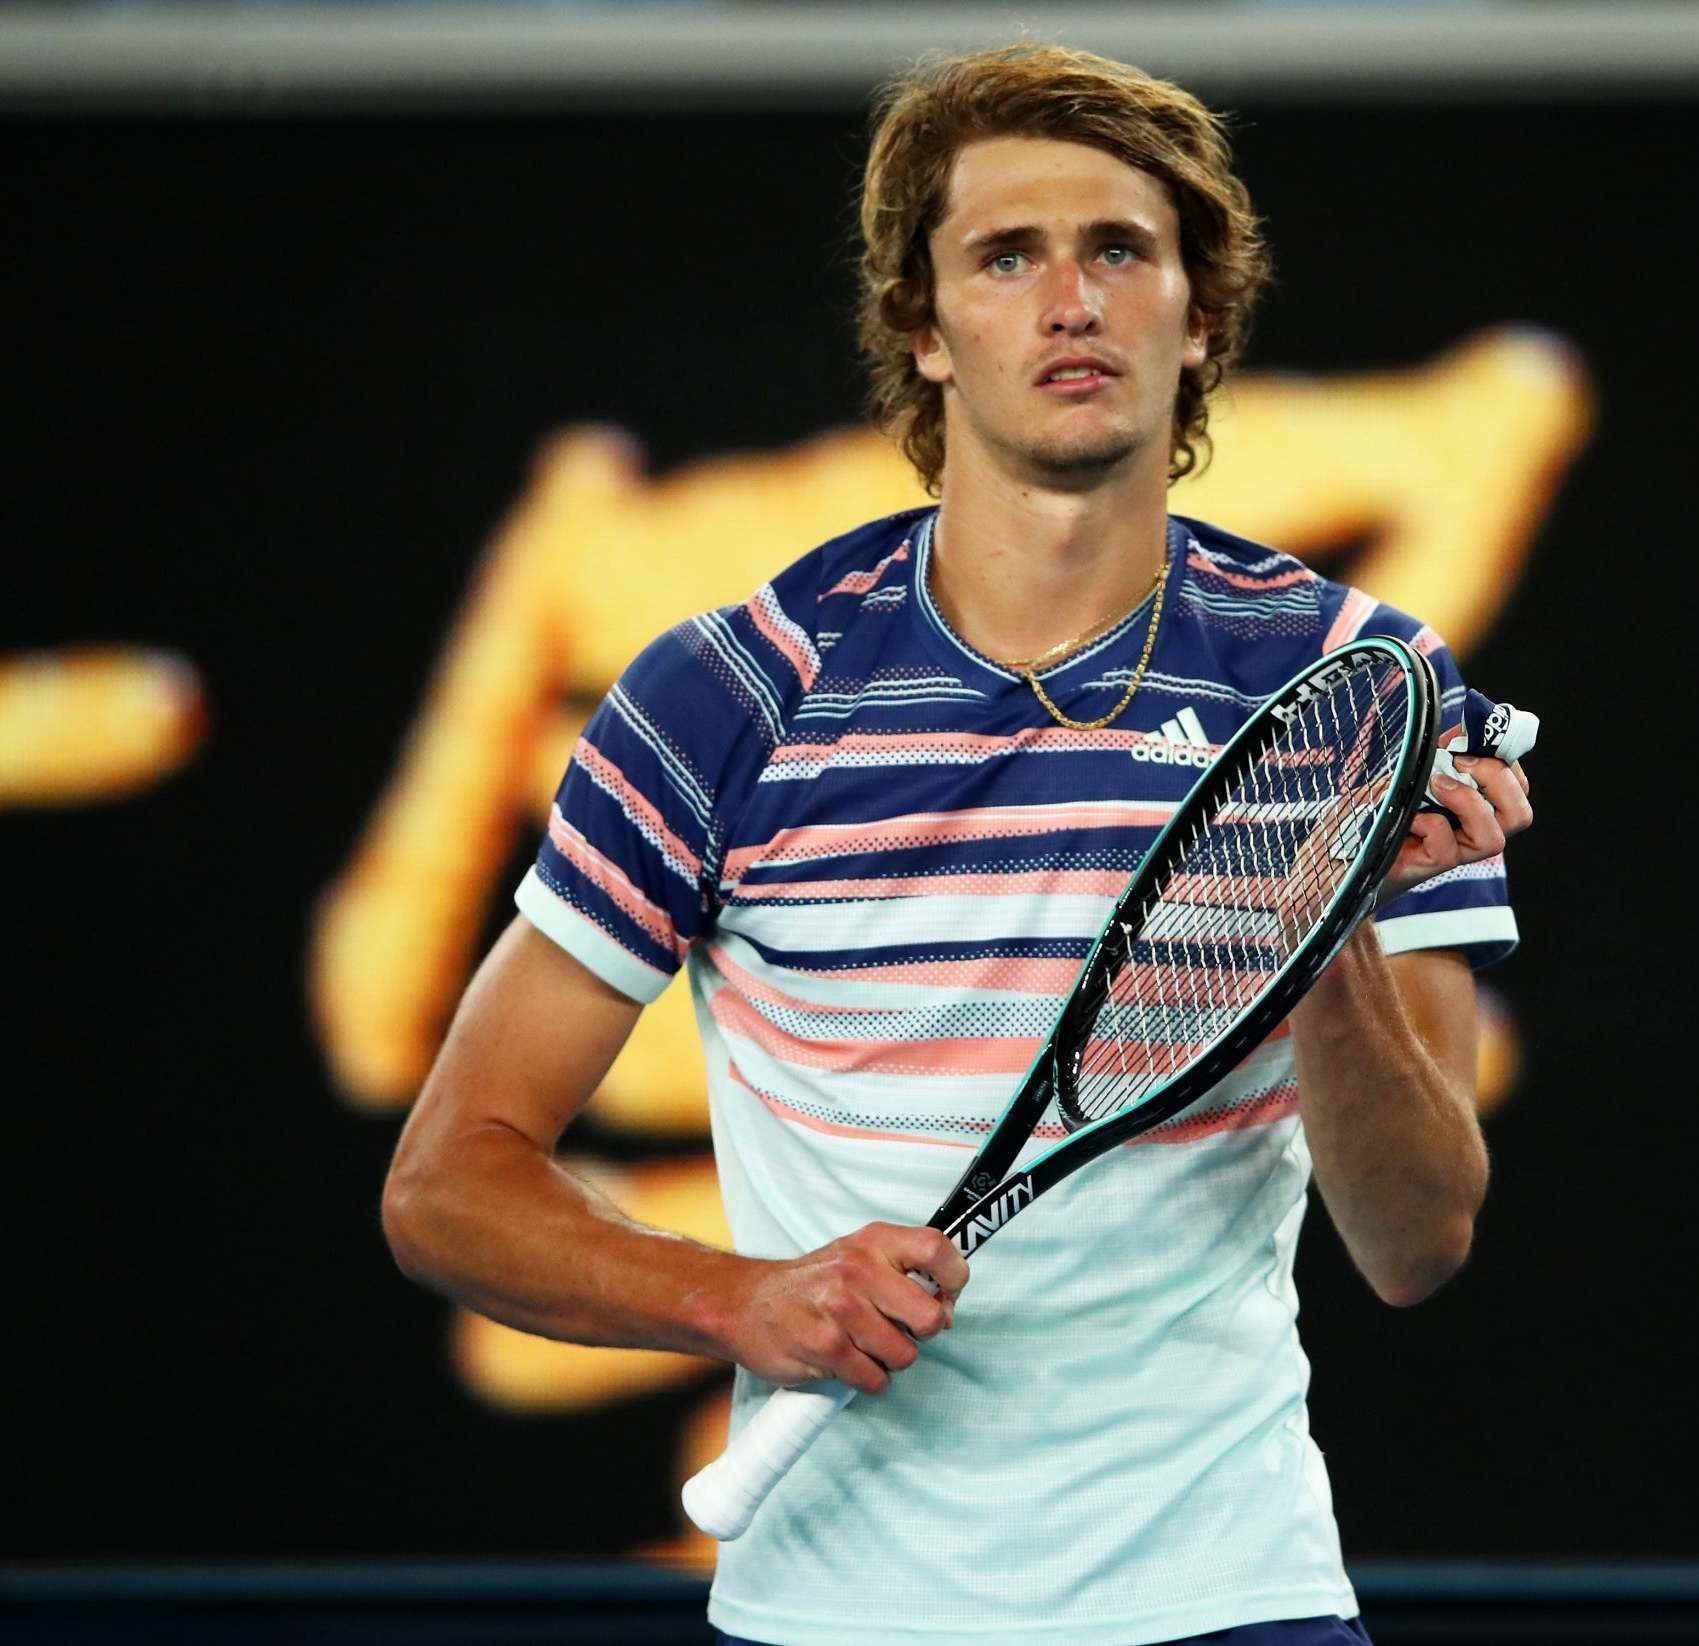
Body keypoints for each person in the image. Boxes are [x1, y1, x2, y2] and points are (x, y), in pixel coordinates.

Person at [382, 42, 1534, 1646]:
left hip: (1226, 1599)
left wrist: (1320, 911)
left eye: (1121, 251)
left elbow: (1416, 1241)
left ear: (1199, 316)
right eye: (1007, 255)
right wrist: (737, 1297)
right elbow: (447, 1183)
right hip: (833, 1616)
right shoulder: (732, 694)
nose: (1071, 301)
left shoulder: (1360, 689)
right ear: (921, 333)